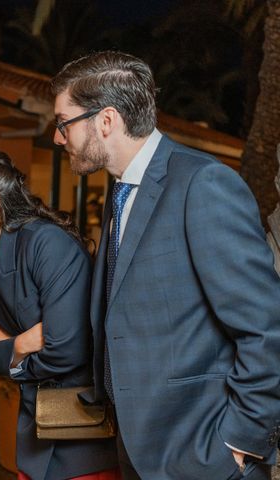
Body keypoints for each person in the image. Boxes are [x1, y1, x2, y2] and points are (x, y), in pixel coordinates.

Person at [51, 50, 280, 480]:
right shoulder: (123, 194)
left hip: (204, 457)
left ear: (106, 120)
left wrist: (238, 441)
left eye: (64, 123)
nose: (58, 137)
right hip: (139, 450)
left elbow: (267, 328)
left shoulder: (203, 184)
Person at [0, 148, 119, 480]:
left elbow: (68, 349)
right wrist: (22, 342)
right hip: (32, 429)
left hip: (81, 433)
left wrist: (11, 348)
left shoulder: (46, 243)